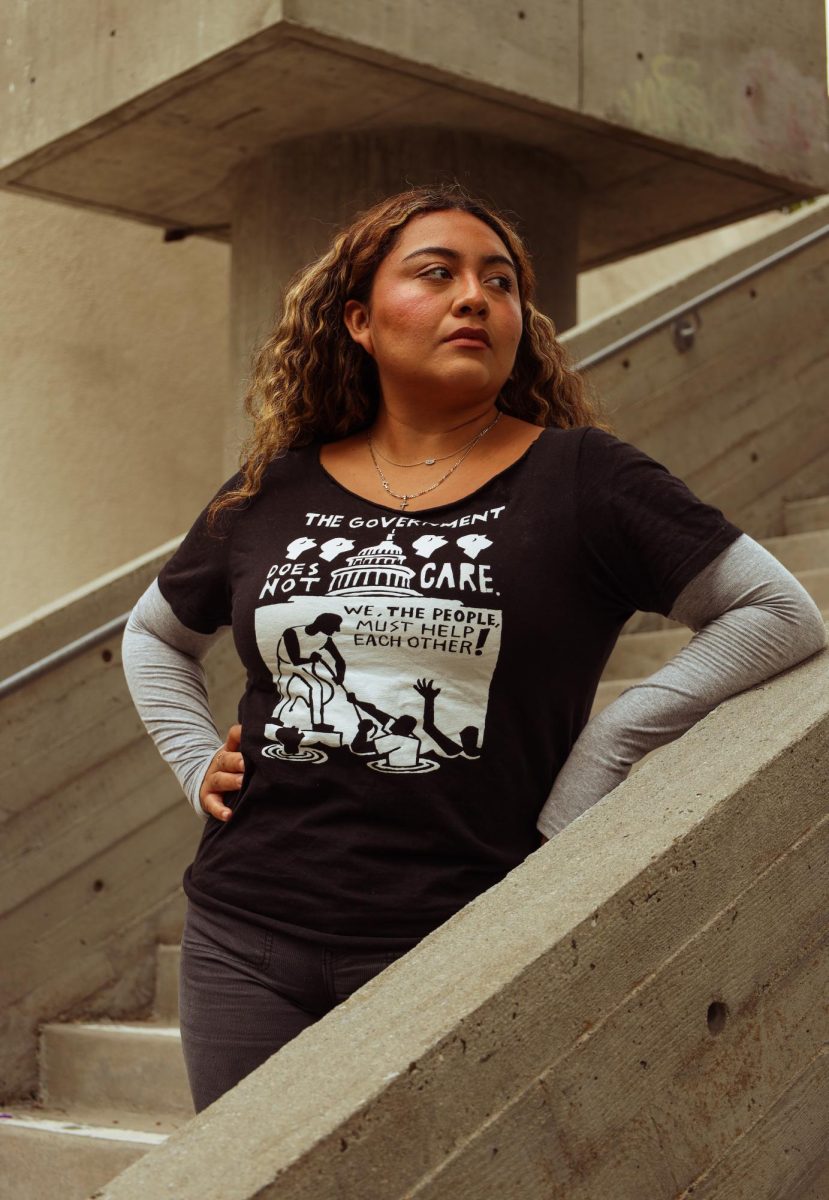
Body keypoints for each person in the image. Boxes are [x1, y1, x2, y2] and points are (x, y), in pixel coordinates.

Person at [122, 184, 826, 1113]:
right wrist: (189, 760)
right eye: (436, 273)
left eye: (499, 282)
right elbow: (152, 635)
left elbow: (778, 615)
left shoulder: (585, 479)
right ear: (358, 322)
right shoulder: (273, 489)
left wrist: (611, 743)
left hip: (458, 936)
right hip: (242, 931)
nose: (475, 296)